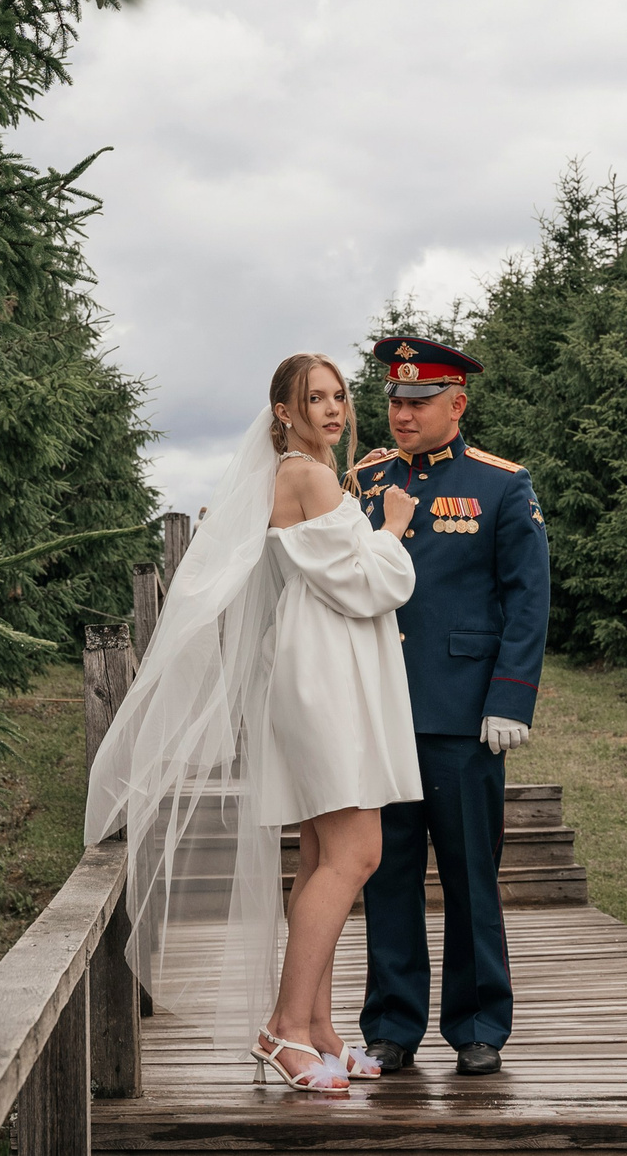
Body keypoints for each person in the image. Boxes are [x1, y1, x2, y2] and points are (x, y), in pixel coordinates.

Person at [84, 353, 422, 1094]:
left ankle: (320, 1025)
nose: (333, 408)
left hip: (319, 670)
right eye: (314, 398)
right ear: (283, 411)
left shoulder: (305, 476)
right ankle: (283, 1029)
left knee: (323, 852)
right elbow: (372, 584)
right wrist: (394, 526)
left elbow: (333, 567)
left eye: (339, 395)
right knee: (358, 852)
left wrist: (365, 516)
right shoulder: (308, 474)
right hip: (329, 678)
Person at [347, 336, 550, 1078]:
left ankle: (477, 1023)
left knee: (470, 875)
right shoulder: (364, 478)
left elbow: (528, 599)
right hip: (381, 708)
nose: (402, 412)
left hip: (464, 716)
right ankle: (392, 1025)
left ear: (456, 404)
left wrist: (510, 696)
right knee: (386, 872)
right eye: (396, 399)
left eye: (419, 400)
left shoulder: (501, 483)